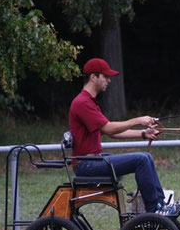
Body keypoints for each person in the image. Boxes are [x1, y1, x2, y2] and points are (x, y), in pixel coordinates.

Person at [69, 57, 171, 214]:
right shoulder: (83, 102)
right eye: (106, 76)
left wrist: (144, 134)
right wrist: (138, 120)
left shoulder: (89, 101)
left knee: (146, 157)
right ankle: (154, 211)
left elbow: (110, 131)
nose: (109, 80)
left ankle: (160, 206)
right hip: (87, 165)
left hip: (93, 160)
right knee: (142, 160)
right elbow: (109, 128)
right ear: (93, 77)